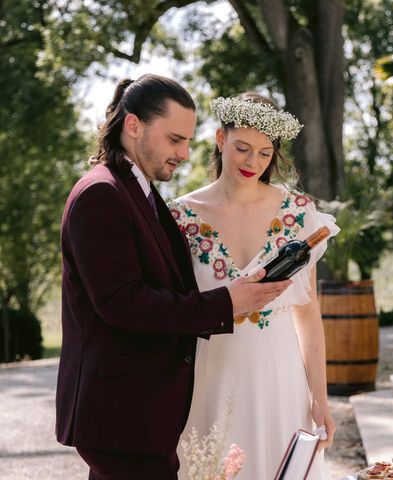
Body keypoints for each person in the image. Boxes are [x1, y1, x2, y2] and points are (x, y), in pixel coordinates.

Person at [55, 75, 291, 480]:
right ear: (133, 126)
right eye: (174, 139)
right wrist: (227, 303)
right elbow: (122, 303)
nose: (184, 153)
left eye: (187, 141)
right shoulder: (102, 194)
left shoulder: (136, 189)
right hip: (121, 415)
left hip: (140, 417)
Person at [170, 92, 338, 480]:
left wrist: (320, 397)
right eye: (242, 148)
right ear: (219, 139)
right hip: (211, 379)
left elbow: (308, 314)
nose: (252, 162)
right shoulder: (180, 218)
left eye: (265, 153)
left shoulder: (300, 214)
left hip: (280, 379)